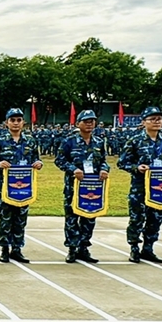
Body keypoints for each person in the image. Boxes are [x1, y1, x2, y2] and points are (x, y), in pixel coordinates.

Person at [117, 106, 162, 263]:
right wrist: (137, 168)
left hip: (160, 188)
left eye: (159, 119)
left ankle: (148, 248)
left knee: (155, 218)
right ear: (143, 122)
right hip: (140, 187)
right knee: (137, 218)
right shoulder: (135, 141)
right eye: (153, 119)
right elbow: (122, 162)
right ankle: (134, 248)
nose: (157, 122)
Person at [0, 108, 43, 263]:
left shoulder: (30, 141)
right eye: (13, 120)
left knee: (20, 219)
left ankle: (17, 249)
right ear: (7, 123)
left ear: (23, 122)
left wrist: (38, 164)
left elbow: (36, 159)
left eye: (19, 120)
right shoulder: (0, 140)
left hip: (24, 189)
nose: (16, 123)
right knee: (6, 219)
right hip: (5, 188)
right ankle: (4, 249)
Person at [55, 110, 110, 263]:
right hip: (74, 186)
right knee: (72, 218)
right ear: (78, 123)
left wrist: (105, 169)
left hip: (93, 187)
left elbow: (103, 160)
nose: (89, 124)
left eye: (92, 121)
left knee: (89, 217)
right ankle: (72, 248)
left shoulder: (99, 141)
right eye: (86, 121)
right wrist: (73, 169)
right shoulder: (69, 141)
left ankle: (84, 248)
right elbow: (59, 160)